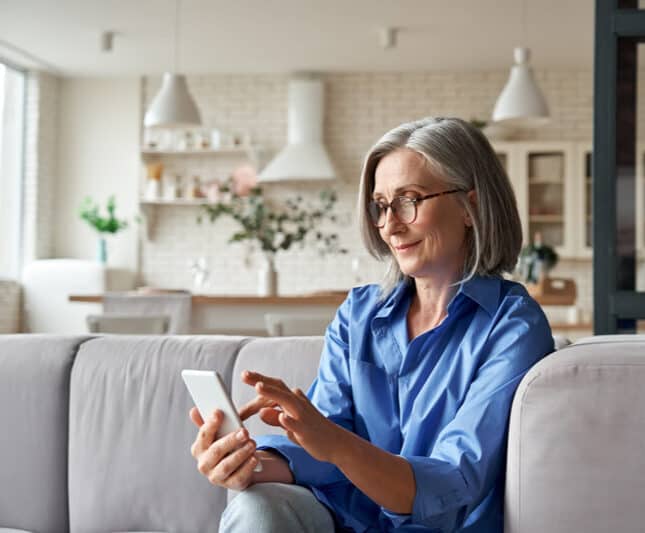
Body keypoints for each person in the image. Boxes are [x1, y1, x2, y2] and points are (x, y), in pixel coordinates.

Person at [188, 116, 554, 532]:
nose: (390, 225)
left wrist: (334, 444)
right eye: (381, 205)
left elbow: (454, 483)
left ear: (470, 206)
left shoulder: (512, 326)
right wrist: (247, 464)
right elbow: (324, 450)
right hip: (346, 522)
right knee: (257, 505)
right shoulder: (358, 314)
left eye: (409, 200)